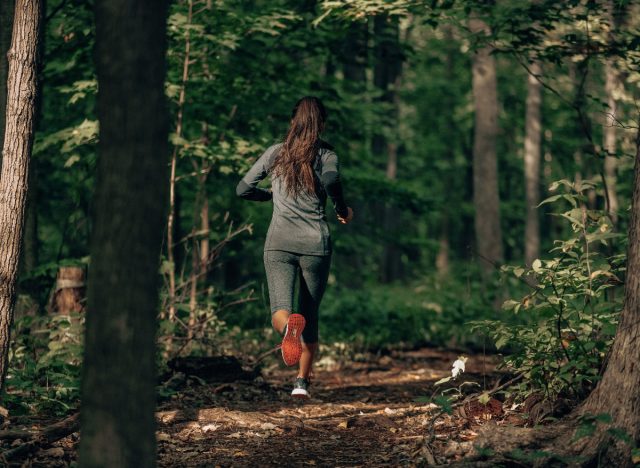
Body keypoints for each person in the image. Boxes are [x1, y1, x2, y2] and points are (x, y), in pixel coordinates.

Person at [236, 96, 353, 399]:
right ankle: (301, 382)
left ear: (293, 122)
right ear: (321, 124)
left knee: (280, 309)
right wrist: (342, 208)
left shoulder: (275, 153)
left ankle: (289, 328)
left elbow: (243, 188)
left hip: (279, 244)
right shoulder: (326, 153)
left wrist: (271, 197)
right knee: (310, 313)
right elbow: (332, 179)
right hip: (315, 244)